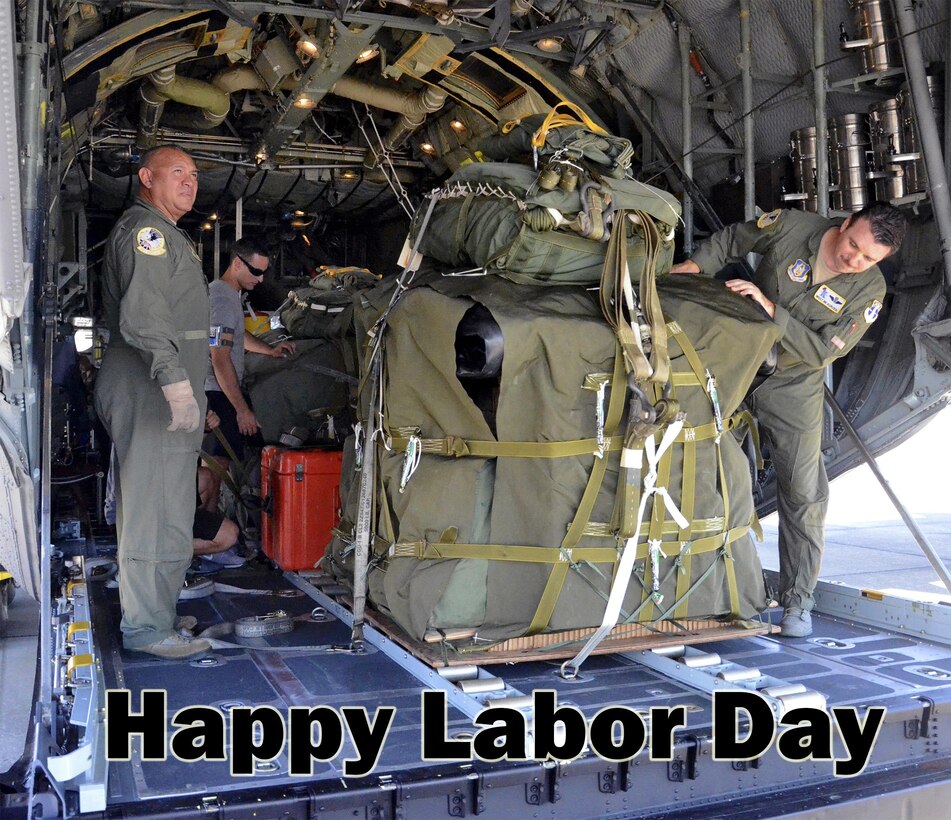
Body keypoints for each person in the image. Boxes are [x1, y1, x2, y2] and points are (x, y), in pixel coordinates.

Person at [670, 202, 906, 637]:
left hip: (794, 383)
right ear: (846, 223)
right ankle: (688, 587)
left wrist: (770, 307)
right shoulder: (793, 227)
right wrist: (693, 266)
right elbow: (734, 238)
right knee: (691, 459)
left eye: (868, 257)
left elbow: (822, 351)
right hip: (733, 360)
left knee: (803, 489)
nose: (853, 259)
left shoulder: (868, 291)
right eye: (853, 244)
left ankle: (798, 602)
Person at [93, 145, 212, 659]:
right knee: (152, 507)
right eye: (177, 173)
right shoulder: (148, 234)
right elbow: (144, 316)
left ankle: (157, 611)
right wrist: (176, 385)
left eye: (194, 176)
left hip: (160, 386)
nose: (190, 183)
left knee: (170, 506)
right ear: (146, 178)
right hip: (151, 388)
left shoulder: (168, 234)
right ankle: (145, 629)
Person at [202, 236, 295, 512]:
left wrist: (271, 351)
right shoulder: (221, 299)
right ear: (236, 264)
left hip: (219, 392)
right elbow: (219, 358)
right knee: (214, 470)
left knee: (220, 467)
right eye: (255, 271)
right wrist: (241, 409)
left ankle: (210, 532)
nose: (261, 279)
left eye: (264, 272)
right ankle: (207, 534)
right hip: (217, 393)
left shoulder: (228, 296)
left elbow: (236, 338)